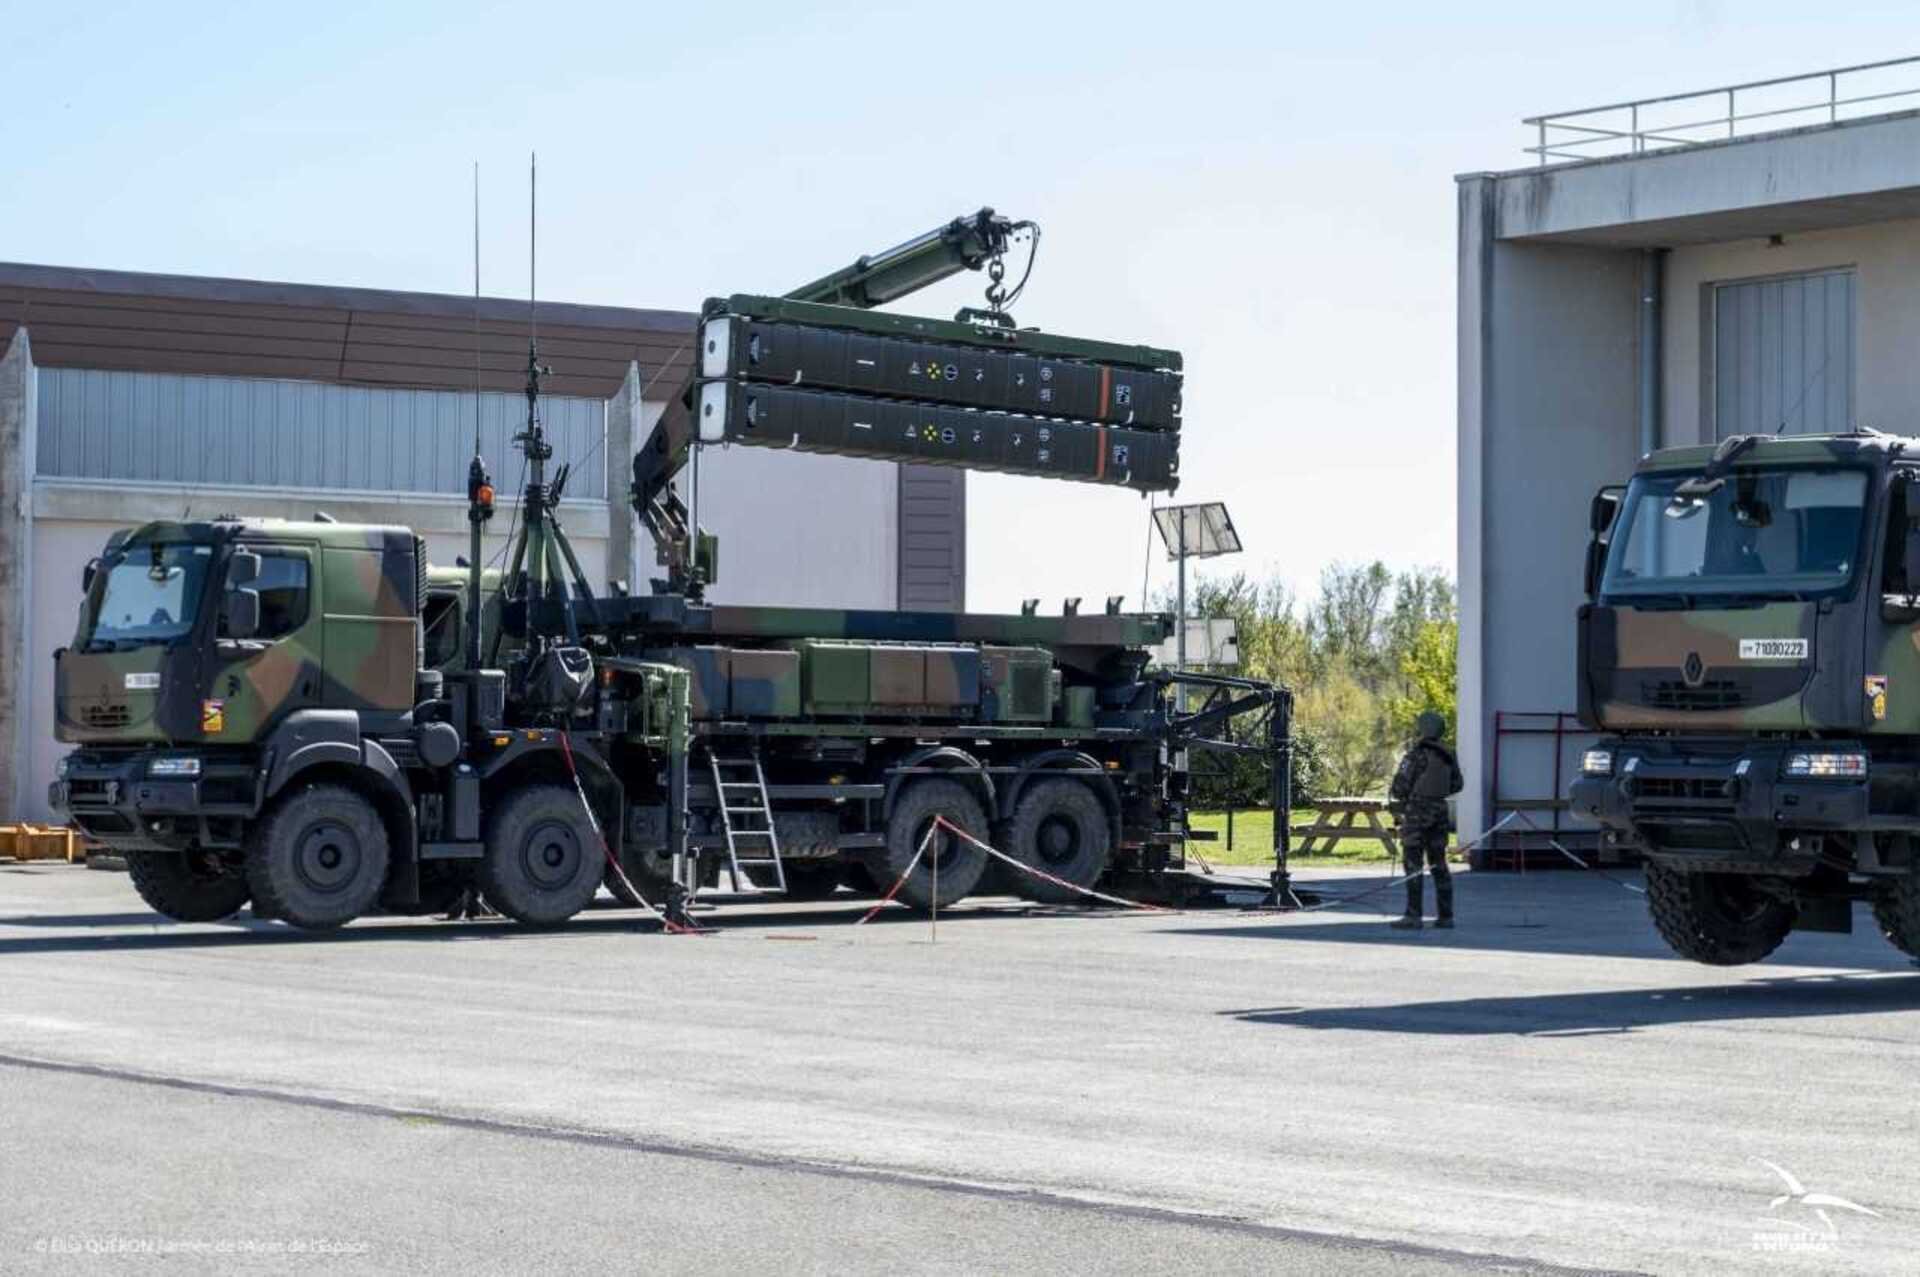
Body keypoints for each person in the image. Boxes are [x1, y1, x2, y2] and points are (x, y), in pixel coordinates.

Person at [1387, 711, 1463, 930]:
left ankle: (1413, 916)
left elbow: (1400, 788)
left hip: (1417, 813)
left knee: (1413, 864)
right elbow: (1457, 785)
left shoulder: (1416, 755)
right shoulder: (1449, 754)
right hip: (1440, 812)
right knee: (1439, 864)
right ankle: (1446, 916)